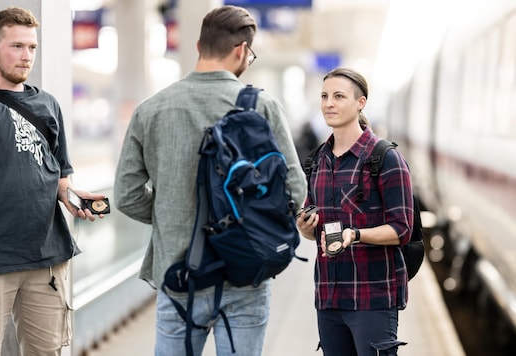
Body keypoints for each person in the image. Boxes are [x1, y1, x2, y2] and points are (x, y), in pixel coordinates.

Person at [113, 5, 306, 356]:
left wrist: (170, 214)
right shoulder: (261, 106)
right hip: (247, 271)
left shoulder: (151, 109)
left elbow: (125, 195)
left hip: (179, 273)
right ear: (242, 51)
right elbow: (296, 190)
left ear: (199, 46)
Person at [0, 7, 106, 355]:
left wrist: (74, 198)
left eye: (31, 47)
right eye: (16, 46)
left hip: (48, 260)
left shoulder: (48, 105)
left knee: (49, 351)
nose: (26, 56)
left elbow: (59, 175)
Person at [296, 67, 413, 355]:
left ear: (360, 102)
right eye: (324, 96)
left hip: (372, 299)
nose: (328, 103)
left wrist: (356, 234)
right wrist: (306, 229)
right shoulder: (317, 161)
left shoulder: (385, 158)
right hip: (329, 297)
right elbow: (316, 230)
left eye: (338, 96)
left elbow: (402, 229)